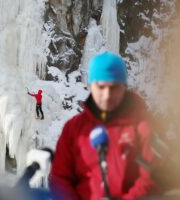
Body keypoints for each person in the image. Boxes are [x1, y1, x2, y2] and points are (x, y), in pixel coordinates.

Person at [50, 52, 158, 200]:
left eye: (114, 87)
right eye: (101, 87)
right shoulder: (73, 129)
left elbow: (153, 175)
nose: (107, 95)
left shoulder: (142, 126)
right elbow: (60, 177)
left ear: (124, 87)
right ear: (90, 86)